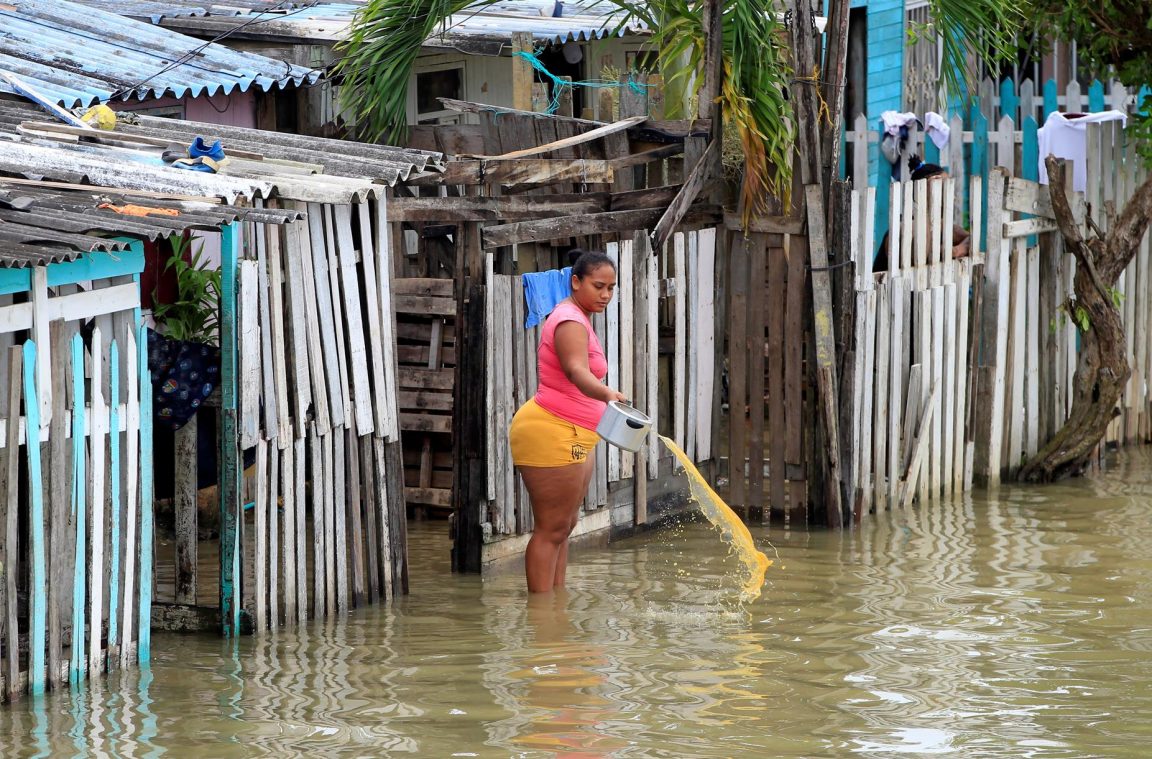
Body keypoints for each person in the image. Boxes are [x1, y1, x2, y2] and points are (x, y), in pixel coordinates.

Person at [509, 249, 626, 594]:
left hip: (575, 432)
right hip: (552, 429)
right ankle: (542, 618)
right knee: (551, 528)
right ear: (576, 282)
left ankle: (555, 611)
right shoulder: (570, 320)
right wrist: (607, 394)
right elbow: (576, 372)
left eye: (611, 288)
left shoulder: (578, 315)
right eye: (598, 286)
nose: (605, 295)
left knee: (565, 525)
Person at [874, 154, 971, 272]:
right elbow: (918, 257)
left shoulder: (941, 225)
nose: (953, 197)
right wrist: (944, 251)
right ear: (927, 190)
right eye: (945, 188)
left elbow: (971, 239)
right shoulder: (900, 228)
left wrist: (957, 250)